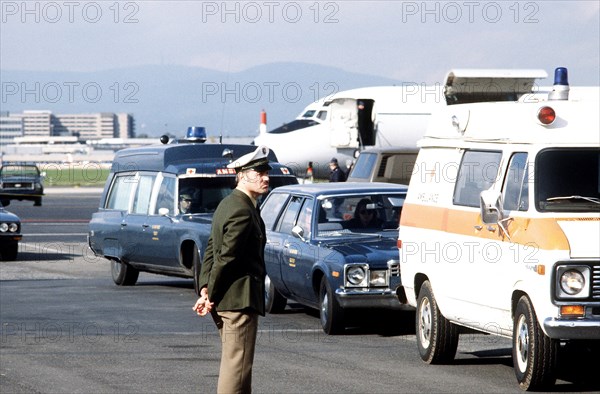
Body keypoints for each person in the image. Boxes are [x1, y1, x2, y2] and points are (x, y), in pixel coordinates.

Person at [192, 145, 271, 394]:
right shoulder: (242, 210)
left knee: (238, 368)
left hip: (226, 298)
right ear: (242, 175)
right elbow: (226, 257)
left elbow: (211, 249)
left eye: (266, 172)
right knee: (236, 368)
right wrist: (210, 295)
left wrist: (205, 288)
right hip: (238, 300)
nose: (265, 177)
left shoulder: (229, 203)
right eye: (258, 172)